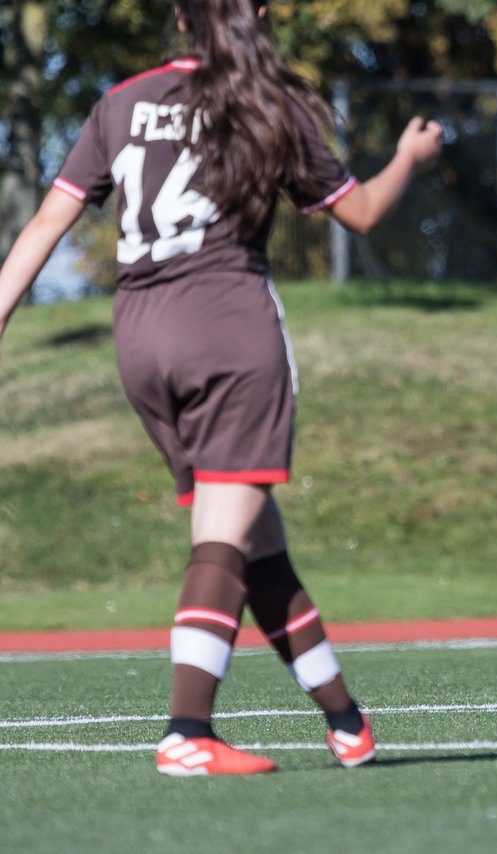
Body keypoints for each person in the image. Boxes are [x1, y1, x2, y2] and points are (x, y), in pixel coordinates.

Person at [0, 0, 444, 775]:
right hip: (227, 327)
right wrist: (410, 155)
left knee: (254, 540)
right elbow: (364, 214)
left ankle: (345, 721)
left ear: (178, 19)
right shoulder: (265, 101)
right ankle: (186, 730)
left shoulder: (121, 101)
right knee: (221, 540)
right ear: (261, 15)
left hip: (140, 338)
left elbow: (46, 223)